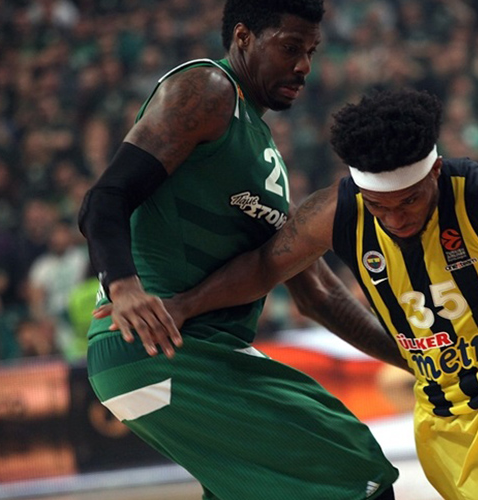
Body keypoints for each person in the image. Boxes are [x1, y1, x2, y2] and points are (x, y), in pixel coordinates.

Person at [99, 88, 478, 499]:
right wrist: (183, 306)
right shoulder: (333, 213)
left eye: (409, 201)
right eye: (381, 206)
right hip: (447, 413)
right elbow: (263, 267)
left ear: (435, 172)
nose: (396, 217)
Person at [78, 2, 402, 499]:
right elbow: (105, 197)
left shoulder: (262, 153)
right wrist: (123, 287)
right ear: (244, 37)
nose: (304, 66)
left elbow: (318, 293)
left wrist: (416, 360)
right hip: (158, 347)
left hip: (208, 353)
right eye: (291, 48)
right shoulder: (208, 89)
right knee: (357, 473)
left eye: (311, 52)